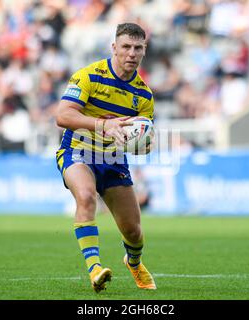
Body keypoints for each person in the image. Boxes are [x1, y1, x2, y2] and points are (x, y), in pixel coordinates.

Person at [55, 22, 156, 293]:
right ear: (114, 47)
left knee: (133, 231)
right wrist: (103, 125)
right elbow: (63, 116)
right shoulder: (89, 76)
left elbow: (144, 139)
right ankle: (95, 269)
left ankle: (133, 262)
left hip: (113, 160)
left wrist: (143, 144)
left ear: (144, 51)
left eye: (138, 48)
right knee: (86, 196)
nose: (131, 53)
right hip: (78, 150)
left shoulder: (143, 95)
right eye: (126, 47)